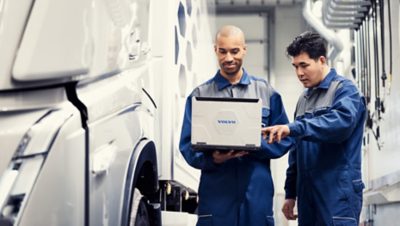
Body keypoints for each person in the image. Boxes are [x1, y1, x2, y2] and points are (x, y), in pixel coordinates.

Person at [179, 25, 292, 226]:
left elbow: (285, 139)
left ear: (244, 50)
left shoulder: (267, 92)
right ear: (215, 50)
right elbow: (187, 146)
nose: (229, 58)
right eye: (223, 51)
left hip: (256, 191)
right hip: (216, 195)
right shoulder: (199, 95)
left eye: (235, 51)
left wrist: (253, 144)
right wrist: (213, 158)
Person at [262, 31, 367, 226]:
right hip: (308, 195)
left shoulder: (345, 91)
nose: (299, 73)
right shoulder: (304, 99)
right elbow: (296, 150)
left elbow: (339, 126)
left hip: (337, 194)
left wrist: (294, 128)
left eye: (304, 65)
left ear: (321, 60)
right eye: (295, 67)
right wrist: (290, 193)